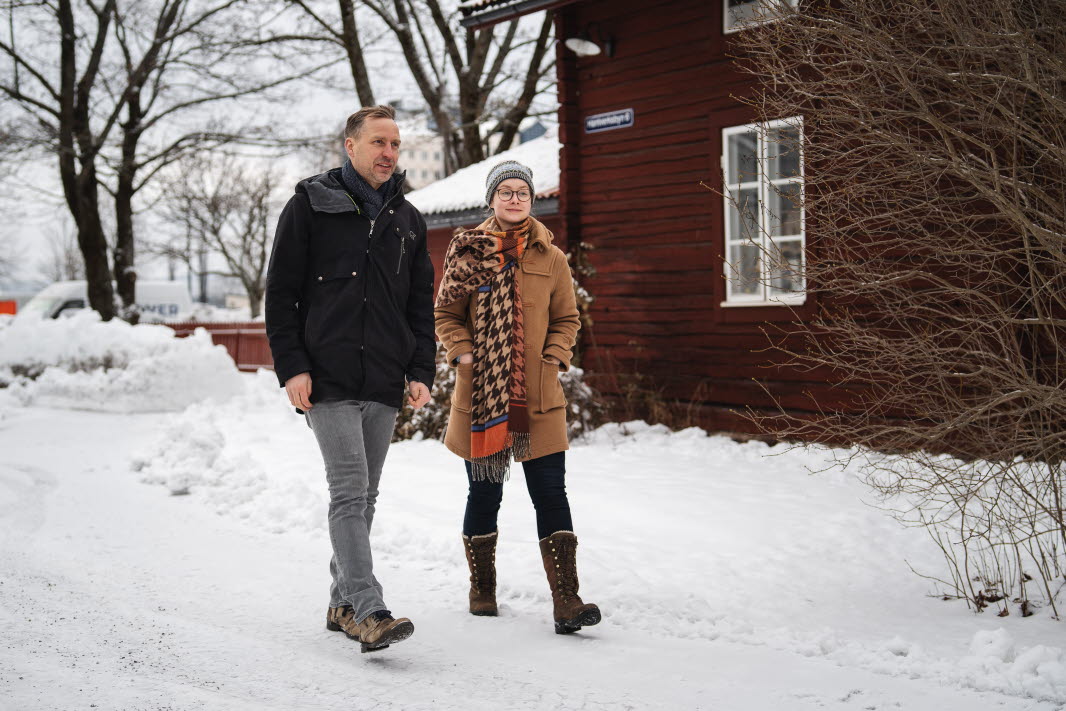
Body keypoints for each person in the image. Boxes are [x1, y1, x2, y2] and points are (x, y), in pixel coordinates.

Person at [265, 105, 435, 653]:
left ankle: (341, 602)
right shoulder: (310, 205)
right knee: (348, 490)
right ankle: (369, 606)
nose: (389, 153)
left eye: (396, 144)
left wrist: (419, 370)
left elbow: (418, 304)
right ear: (351, 146)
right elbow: (281, 294)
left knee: (367, 496)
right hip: (328, 376)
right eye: (379, 142)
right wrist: (292, 366)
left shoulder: (408, 219)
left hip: (383, 376)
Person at [434, 160, 602, 635]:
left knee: (551, 492)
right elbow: (446, 315)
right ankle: (482, 587)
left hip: (540, 397)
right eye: (504, 191)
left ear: (531, 200)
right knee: (484, 492)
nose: (513, 198)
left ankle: (567, 600)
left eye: (521, 192)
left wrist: (553, 359)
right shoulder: (467, 252)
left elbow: (568, 319)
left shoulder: (552, 257)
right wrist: (464, 354)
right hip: (483, 398)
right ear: (491, 199)